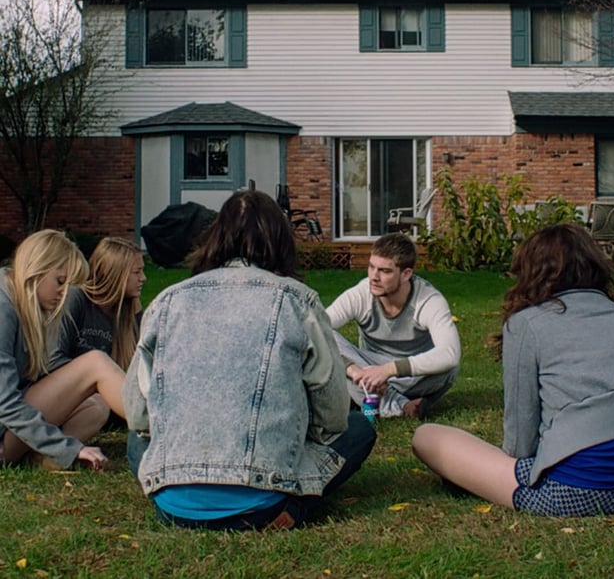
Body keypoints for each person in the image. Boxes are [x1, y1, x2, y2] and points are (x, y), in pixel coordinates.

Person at [123, 189, 376, 530]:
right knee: (359, 428)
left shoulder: (166, 302)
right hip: (265, 499)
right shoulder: (297, 300)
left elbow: (138, 415)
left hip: (173, 504)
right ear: (282, 242)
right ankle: (294, 508)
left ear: (214, 238)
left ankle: (191, 496)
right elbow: (332, 414)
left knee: (135, 441)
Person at [412, 223, 614, 517]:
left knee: (426, 437)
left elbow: (521, 428)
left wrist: (504, 468)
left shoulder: (527, 323)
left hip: (575, 491)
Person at [0, 230, 127, 471]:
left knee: (96, 405)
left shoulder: (23, 302)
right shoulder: (3, 307)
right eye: (60, 281)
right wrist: (71, 448)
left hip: (10, 429)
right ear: (36, 269)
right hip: (5, 430)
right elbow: (5, 403)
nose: (64, 293)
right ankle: (165, 430)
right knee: (95, 364)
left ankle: (41, 458)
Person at [326, 232, 460, 419]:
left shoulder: (428, 300)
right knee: (324, 335)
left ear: (406, 274)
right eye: (371, 267)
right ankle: (402, 406)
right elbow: (315, 330)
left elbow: (450, 353)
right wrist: (352, 369)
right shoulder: (361, 294)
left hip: (412, 375)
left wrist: (387, 371)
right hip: (367, 369)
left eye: (385, 271)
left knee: (448, 368)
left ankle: (368, 397)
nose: (374, 276)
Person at [52, 237, 146, 372]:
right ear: (114, 273)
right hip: (62, 381)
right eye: (137, 272)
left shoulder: (128, 310)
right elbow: (53, 358)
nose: (143, 278)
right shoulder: (76, 298)